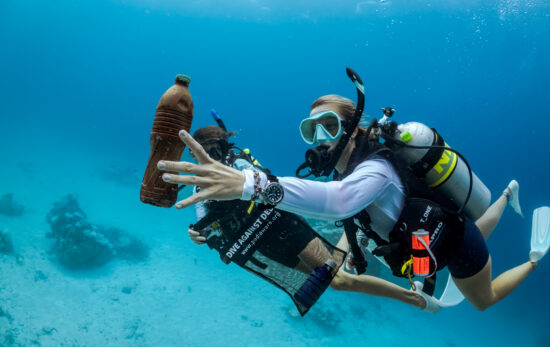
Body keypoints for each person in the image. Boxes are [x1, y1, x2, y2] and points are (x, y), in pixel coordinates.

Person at [158, 95, 549, 312]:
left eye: (328, 125)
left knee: (483, 298)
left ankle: (535, 255)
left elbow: (338, 202)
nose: (320, 139)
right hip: (430, 235)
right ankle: (506, 194)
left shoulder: (373, 168)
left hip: (452, 242)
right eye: (312, 130)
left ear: (352, 126)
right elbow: (350, 217)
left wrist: (251, 182)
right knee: (471, 229)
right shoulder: (348, 171)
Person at [186, 123, 430, 312]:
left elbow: (262, 183)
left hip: (281, 227)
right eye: (191, 152)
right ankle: (350, 230)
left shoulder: (236, 163)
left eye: (200, 150)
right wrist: (197, 234)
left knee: (339, 280)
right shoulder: (198, 186)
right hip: (260, 245)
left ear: (213, 147)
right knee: (331, 274)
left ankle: (415, 298)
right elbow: (205, 222)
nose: (197, 156)